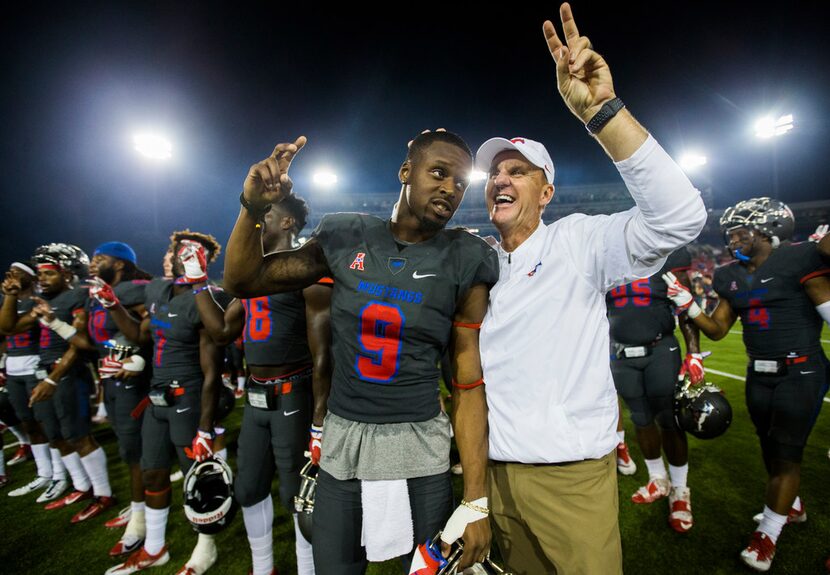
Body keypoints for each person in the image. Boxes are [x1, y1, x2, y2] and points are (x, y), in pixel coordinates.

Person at [476, 4, 706, 573]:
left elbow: (679, 219)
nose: (501, 179)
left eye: (519, 171)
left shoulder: (577, 243)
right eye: (495, 173)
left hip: (570, 476)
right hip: (493, 475)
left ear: (548, 193)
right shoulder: (474, 262)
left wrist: (603, 112)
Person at [224, 130, 498, 573]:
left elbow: (466, 381)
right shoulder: (345, 234)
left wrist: (476, 499)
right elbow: (242, 281)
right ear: (406, 172)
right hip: (345, 436)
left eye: (461, 181)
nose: (451, 187)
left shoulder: (467, 256)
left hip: (420, 442)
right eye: (439, 173)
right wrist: (253, 207)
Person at [664, 197, 830, 572]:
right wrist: (689, 304)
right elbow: (718, 330)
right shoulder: (728, 275)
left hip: (800, 371)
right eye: (729, 234)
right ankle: (793, 507)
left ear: (766, 231)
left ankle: (768, 534)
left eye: (739, 232)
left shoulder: (802, 259)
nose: (731, 241)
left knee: (787, 453)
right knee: (770, 447)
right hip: (760, 374)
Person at [193, 196, 332, 575]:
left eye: (265, 216)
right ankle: (263, 567)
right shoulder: (250, 277)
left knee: (297, 495)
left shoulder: (308, 270)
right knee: (249, 488)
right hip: (255, 398)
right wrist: (196, 285)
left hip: (294, 393)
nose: (256, 223)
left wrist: (319, 422)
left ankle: (307, 569)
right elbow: (222, 332)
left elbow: (324, 357)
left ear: (288, 223)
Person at [101, 230, 229, 575]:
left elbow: (211, 371)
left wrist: (205, 427)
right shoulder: (157, 289)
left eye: (186, 252)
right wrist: (112, 305)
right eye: (177, 251)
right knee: (153, 471)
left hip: (186, 395)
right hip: (156, 395)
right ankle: (155, 547)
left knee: (196, 479)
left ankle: (206, 546)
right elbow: (140, 335)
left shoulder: (208, 298)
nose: (175, 256)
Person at [52, 241, 153, 554]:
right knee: (128, 449)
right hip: (110, 381)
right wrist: (52, 322)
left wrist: (139, 358)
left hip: (133, 383)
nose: (93, 264)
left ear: (120, 264)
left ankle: (142, 518)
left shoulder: (138, 289)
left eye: (101, 259)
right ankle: (141, 506)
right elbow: (93, 344)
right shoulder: (96, 295)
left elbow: (152, 330)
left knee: (134, 452)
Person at [6, 244, 116, 523]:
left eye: (49, 273)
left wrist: (53, 380)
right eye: (40, 274)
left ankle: (103, 494)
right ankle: (82, 486)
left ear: (67, 275)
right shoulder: (48, 301)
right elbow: (9, 328)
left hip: (66, 375)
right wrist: (9, 296)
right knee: (55, 434)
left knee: (78, 435)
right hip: (45, 374)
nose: (42, 279)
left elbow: (79, 345)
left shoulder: (79, 297)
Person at [607, 247, 702, 533]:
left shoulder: (669, 257)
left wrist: (694, 352)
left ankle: (680, 490)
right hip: (621, 354)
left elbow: (684, 308)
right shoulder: (608, 258)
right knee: (640, 418)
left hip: (659, 348)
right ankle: (657, 478)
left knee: (669, 421)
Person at [1, 260, 69, 502]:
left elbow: (10, 327)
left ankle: (61, 476)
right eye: (10, 272)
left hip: (35, 367)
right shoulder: (8, 302)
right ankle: (44, 473)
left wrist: (11, 297)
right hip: (14, 369)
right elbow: (3, 330)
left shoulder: (40, 302)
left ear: (30, 278)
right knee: (28, 424)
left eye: (19, 272)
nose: (12, 275)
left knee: (48, 426)